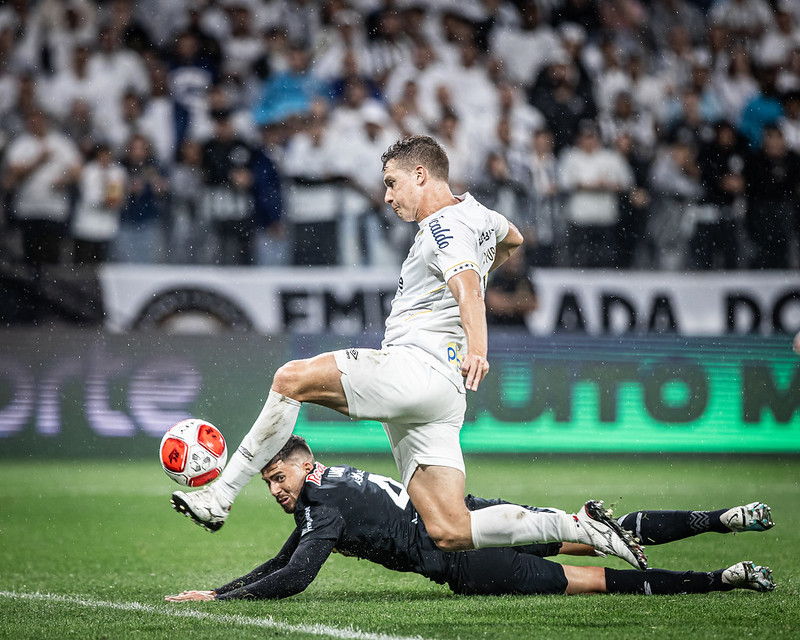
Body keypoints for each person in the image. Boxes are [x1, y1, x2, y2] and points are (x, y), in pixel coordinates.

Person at [171, 134, 647, 570]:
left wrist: (477, 344)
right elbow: (514, 238)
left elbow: (467, 290)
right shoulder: (478, 213)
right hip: (441, 394)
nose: (388, 196)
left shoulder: (444, 226)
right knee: (450, 529)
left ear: (421, 174)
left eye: (392, 183)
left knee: (290, 378)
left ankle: (222, 496)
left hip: (413, 367)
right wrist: (481, 274)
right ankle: (579, 526)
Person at [165, 435, 775, 602]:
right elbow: (285, 559)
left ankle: (721, 580)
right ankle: (724, 519)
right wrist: (222, 590)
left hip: (460, 558)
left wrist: (219, 599)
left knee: (595, 578)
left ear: (303, 467)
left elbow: (295, 575)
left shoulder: (321, 509)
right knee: (587, 535)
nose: (274, 489)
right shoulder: (332, 481)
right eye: (268, 480)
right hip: (469, 513)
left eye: (278, 478)